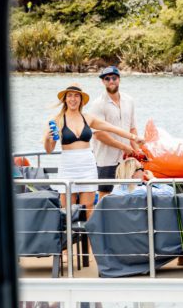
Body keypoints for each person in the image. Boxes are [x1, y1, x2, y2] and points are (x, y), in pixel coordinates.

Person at [43, 83, 144, 212]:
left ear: (81, 100)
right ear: (65, 99)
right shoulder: (57, 120)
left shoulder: (88, 118)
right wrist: (47, 138)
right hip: (68, 167)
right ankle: (71, 232)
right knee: (67, 209)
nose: (73, 99)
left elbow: (112, 128)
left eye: (76, 96)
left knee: (88, 208)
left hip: (87, 166)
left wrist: (134, 138)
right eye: (70, 96)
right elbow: (49, 149)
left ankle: (89, 232)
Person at [89, 67, 141, 201]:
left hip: (127, 158)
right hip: (106, 158)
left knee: (128, 191)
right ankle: (102, 221)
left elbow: (132, 128)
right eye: (107, 78)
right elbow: (99, 134)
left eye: (114, 78)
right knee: (104, 194)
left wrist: (137, 151)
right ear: (103, 82)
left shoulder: (129, 100)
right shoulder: (98, 104)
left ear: (119, 79)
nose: (111, 81)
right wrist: (123, 147)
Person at [109, 157, 174, 196]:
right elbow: (171, 192)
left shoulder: (115, 190)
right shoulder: (143, 190)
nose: (144, 172)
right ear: (133, 173)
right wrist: (153, 180)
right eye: (142, 169)